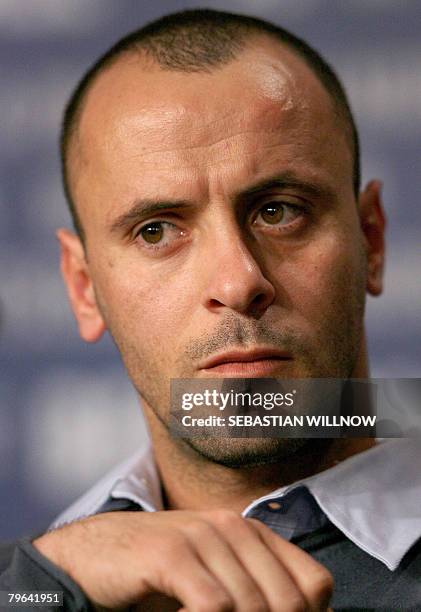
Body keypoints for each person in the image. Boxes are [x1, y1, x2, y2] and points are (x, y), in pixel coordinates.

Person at [1, 8, 420, 611]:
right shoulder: (37, 579)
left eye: (279, 211)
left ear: (371, 240)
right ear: (84, 286)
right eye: (155, 231)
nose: (238, 281)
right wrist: (41, 586)